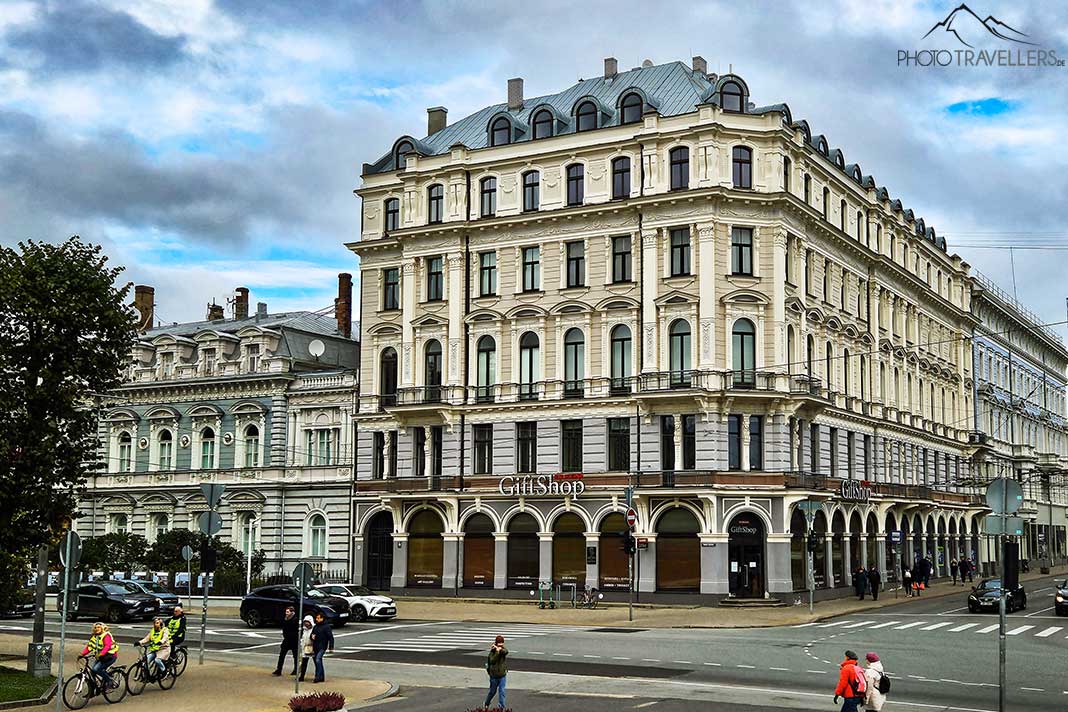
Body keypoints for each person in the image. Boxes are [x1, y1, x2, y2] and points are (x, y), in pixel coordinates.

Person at [80, 622, 119, 690]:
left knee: (97, 669)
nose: (97, 629)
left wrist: (101, 654)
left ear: (102, 628)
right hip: (101, 657)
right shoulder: (94, 637)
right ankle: (93, 689)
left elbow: (107, 646)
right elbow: (89, 647)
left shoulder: (106, 635)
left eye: (98, 627)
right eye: (95, 627)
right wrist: (82, 654)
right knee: (92, 671)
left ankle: (109, 681)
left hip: (110, 656)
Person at [273, 606, 300, 676]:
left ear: (292, 612)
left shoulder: (295, 620)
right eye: (286, 612)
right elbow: (284, 628)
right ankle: (279, 669)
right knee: (282, 655)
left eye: (287, 612)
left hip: (294, 640)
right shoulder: (285, 619)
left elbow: (298, 630)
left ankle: (296, 669)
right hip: (287, 640)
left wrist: (296, 637)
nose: (286, 613)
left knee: (295, 656)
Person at [484, 635, 508, 709]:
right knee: (492, 691)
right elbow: (492, 660)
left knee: (502, 691)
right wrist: (496, 652)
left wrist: (500, 650)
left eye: (502, 643)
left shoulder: (503, 650)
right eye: (499, 643)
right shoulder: (492, 652)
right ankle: (487, 703)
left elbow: (506, 652)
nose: (501, 645)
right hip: (494, 676)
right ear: (496, 643)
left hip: (502, 675)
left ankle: (501, 707)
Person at [310, 612, 334, 683]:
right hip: (315, 646)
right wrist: (312, 637)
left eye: (318, 618)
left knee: (318, 660)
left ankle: (317, 676)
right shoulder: (316, 626)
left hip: (322, 646)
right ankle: (321, 676)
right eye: (316, 618)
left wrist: (331, 647)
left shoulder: (326, 627)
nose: (316, 619)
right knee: (318, 661)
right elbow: (312, 634)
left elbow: (330, 637)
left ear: (322, 618)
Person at [297, 615, 314, 681]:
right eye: (305, 622)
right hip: (305, 648)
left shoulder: (314, 629)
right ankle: (302, 676)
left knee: (316, 662)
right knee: (303, 663)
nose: (306, 623)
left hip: (312, 648)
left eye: (308, 622)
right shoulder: (304, 630)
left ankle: (318, 676)